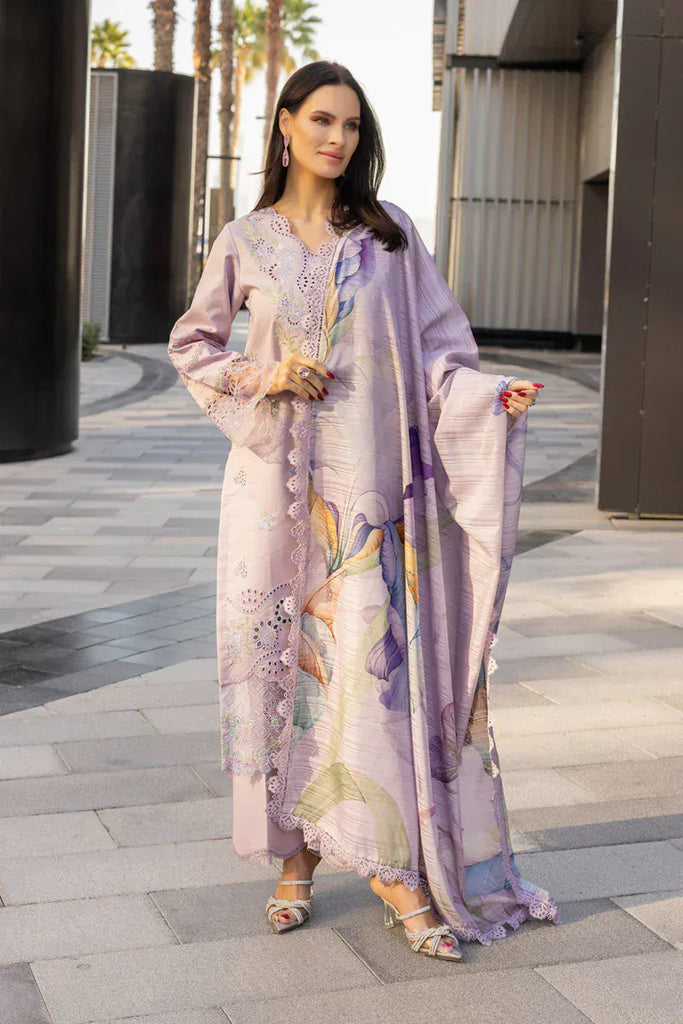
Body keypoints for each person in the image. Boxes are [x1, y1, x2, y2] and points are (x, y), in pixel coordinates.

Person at [168, 60, 560, 962]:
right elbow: (192, 345)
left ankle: (392, 867)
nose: (337, 139)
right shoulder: (244, 239)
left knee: (363, 670)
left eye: (350, 125)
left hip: (371, 504)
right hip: (272, 500)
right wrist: (264, 374)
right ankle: (295, 856)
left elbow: (439, 353)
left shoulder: (390, 237)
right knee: (287, 670)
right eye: (321, 121)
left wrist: (486, 399)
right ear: (285, 124)